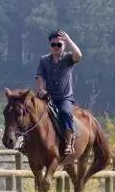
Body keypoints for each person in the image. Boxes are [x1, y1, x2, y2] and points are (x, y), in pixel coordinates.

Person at [35, 29, 82, 165]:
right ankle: (26, 140)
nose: (56, 47)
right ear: (50, 46)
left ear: (64, 46)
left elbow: (78, 55)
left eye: (59, 44)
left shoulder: (68, 59)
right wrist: (41, 89)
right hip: (47, 96)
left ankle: (69, 143)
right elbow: (39, 76)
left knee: (65, 112)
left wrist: (68, 39)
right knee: (31, 111)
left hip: (64, 97)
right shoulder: (44, 60)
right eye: (53, 44)